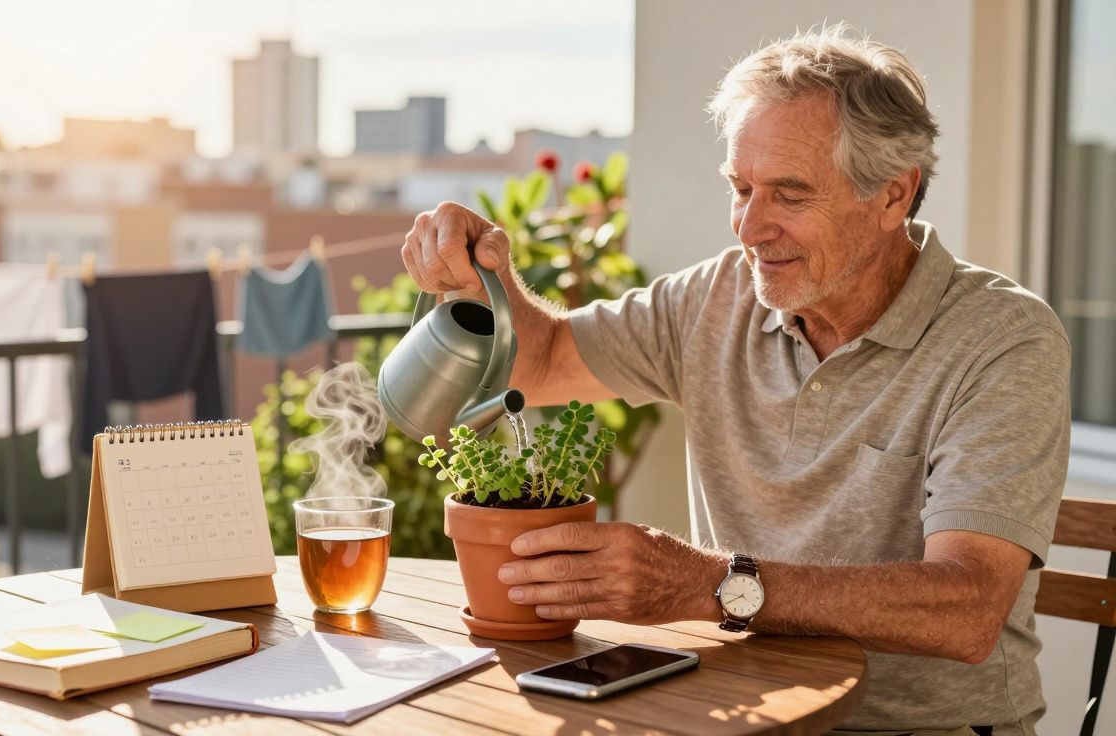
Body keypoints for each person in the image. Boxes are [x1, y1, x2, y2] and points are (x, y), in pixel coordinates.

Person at [399, 25, 1070, 736]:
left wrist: (709, 584)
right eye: (741, 187)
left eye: (789, 194)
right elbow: (542, 360)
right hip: (741, 717)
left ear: (892, 196)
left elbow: (967, 610)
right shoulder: (717, 298)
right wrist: (485, 284)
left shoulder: (1003, 340)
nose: (750, 227)